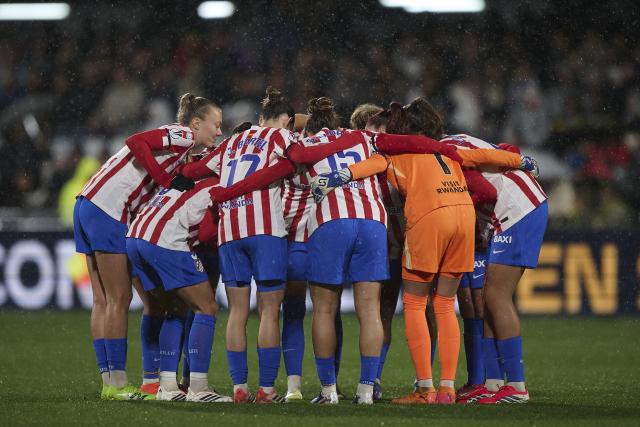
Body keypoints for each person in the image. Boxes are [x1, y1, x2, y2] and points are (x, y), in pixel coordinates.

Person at [311, 98, 539, 404]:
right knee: (444, 304)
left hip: (430, 217)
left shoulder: (394, 149)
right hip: (462, 217)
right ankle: (447, 387)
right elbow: (480, 156)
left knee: (416, 303)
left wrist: (337, 177)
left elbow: (373, 164)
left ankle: (424, 389)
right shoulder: (444, 148)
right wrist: (521, 161)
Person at [179, 88, 372, 403]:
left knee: (238, 311)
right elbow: (302, 157)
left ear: (260, 117)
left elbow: (195, 171)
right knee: (270, 312)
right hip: (265, 229)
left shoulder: (231, 141)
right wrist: (349, 139)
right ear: (285, 121)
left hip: (230, 231)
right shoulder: (282, 138)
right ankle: (267, 389)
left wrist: (180, 173)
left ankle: (239, 388)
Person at [73, 93, 222, 400]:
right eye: (216, 125)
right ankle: (116, 384)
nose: (219, 132)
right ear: (196, 123)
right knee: (119, 298)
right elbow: (135, 141)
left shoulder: (184, 152)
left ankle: (109, 382)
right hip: (109, 210)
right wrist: (162, 179)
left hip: (88, 203)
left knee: (103, 299)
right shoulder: (183, 135)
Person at [440, 138, 548, 404]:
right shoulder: (456, 139)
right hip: (520, 205)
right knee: (489, 296)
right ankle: (492, 383)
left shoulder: (444, 155)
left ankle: (517, 386)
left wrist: (465, 205)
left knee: (497, 296)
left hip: (517, 209)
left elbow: (486, 193)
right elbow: (508, 148)